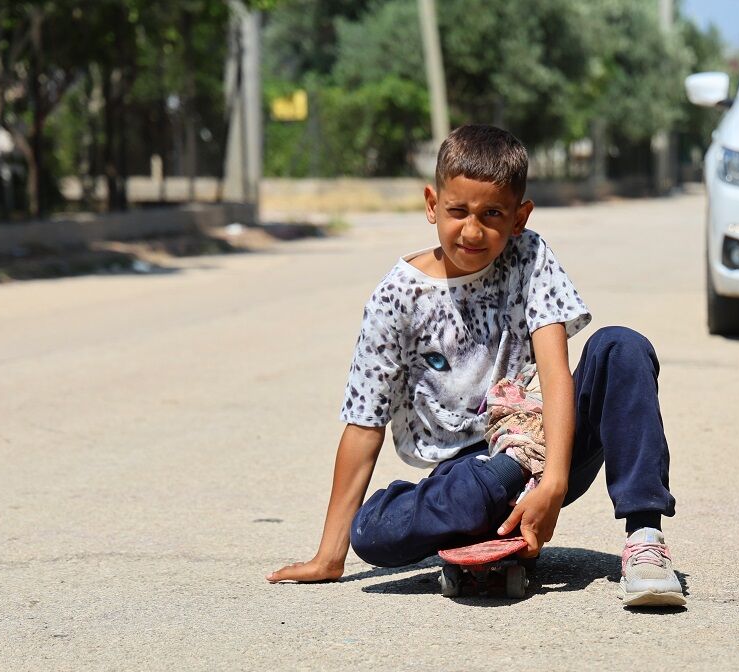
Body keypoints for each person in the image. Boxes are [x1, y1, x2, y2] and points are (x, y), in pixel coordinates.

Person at [267, 124, 683, 607]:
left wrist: (552, 482)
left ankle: (645, 541)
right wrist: (329, 556)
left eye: (492, 215)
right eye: (457, 211)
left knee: (620, 346)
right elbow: (364, 425)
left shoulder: (529, 257)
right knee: (374, 532)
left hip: (543, 440)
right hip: (466, 472)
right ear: (431, 205)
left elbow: (553, 375)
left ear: (520, 216)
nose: (471, 230)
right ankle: (487, 505)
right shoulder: (396, 298)